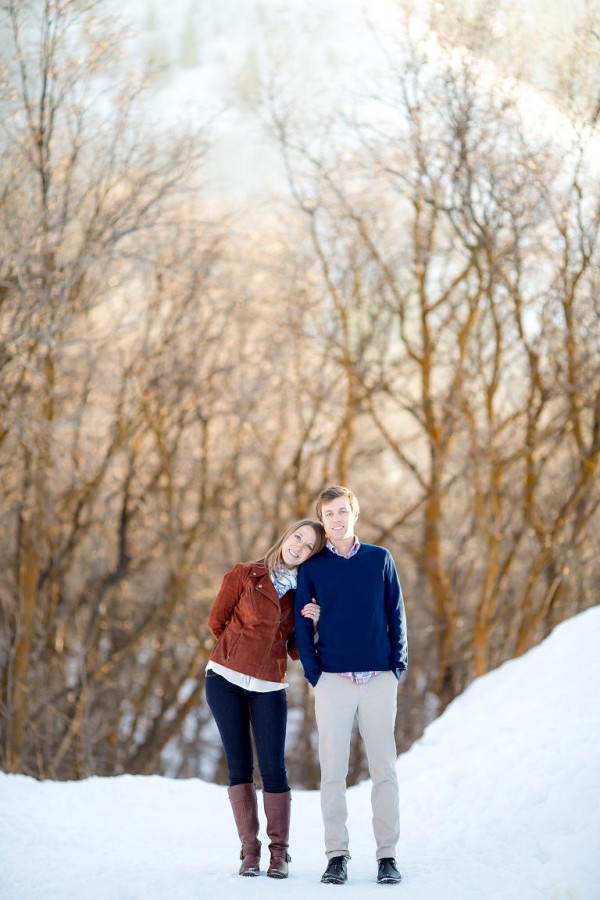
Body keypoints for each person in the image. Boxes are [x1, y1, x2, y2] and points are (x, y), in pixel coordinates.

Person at [293, 486, 408, 886]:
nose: (337, 520)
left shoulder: (380, 559)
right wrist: (314, 673)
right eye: (329, 515)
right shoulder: (313, 567)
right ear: (322, 521)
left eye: (342, 512)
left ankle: (387, 856)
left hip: (378, 678)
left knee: (384, 769)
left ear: (354, 513)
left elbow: (396, 614)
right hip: (333, 681)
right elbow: (302, 626)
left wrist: (397, 667)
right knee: (333, 771)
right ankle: (336, 854)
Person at [205, 519, 326, 880]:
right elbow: (217, 621)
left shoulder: (303, 593)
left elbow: (295, 651)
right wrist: (239, 652)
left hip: (269, 687)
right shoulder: (245, 574)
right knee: (239, 765)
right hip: (224, 680)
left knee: (273, 768)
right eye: (298, 538)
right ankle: (249, 851)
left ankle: (279, 853)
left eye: (308, 547)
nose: (299, 547)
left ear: (311, 556)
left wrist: (314, 625)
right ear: (287, 535)